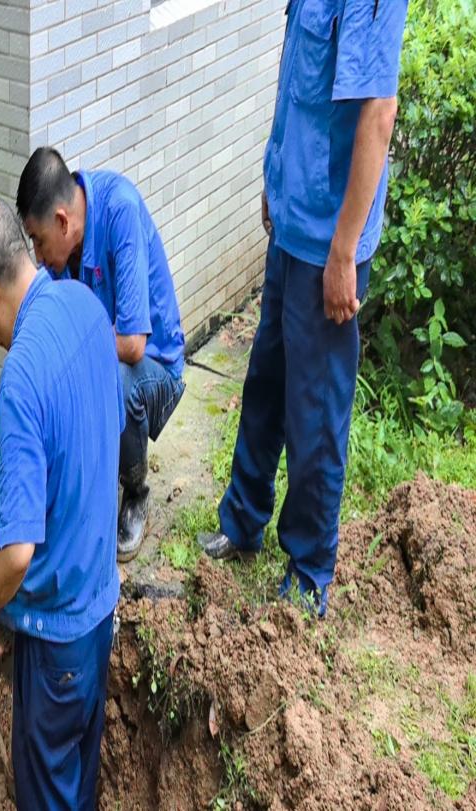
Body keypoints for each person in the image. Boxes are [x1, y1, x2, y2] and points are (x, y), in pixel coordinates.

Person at [198, 0, 409, 616]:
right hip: (293, 219)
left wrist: (344, 250)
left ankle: (310, 567)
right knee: (266, 380)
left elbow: (377, 116)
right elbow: (295, 81)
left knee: (315, 413)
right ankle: (243, 521)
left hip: (327, 243)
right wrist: (272, 176)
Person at [0, 198, 123, 810]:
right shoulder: (84, 306)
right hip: (99, 605)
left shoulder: (23, 376)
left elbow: (18, 550)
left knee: (45, 789)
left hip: (56, 637)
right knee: (79, 770)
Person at [16, 147, 185, 562]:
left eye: (38, 241)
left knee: (115, 383)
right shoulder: (65, 248)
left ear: (62, 221)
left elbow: (131, 345)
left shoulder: (119, 212)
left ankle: (135, 492)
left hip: (156, 369)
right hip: (113, 360)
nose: (37, 257)